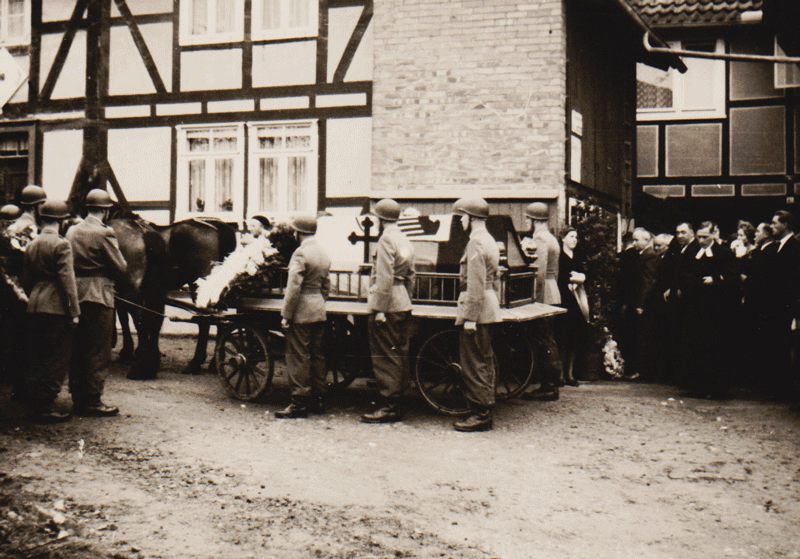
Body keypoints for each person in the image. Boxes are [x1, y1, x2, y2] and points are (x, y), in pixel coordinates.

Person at [66, 189, 128, 417]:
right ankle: (92, 400)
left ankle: (77, 396)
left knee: (77, 347)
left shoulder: (72, 230)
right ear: (105, 210)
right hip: (98, 295)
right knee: (98, 350)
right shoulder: (104, 232)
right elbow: (121, 267)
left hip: (75, 293)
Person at [21, 200, 80, 423]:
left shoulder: (32, 244)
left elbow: (26, 280)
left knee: (37, 357)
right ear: (61, 221)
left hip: (34, 305)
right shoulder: (61, 244)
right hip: (55, 308)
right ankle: (45, 406)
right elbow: (67, 282)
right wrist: (74, 312)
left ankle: (35, 405)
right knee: (55, 359)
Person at [361, 199, 415, 424]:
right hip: (402, 301)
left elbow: (383, 275)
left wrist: (380, 309)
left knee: (385, 356)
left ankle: (389, 406)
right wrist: (406, 298)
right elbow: (411, 274)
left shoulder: (386, 239)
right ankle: (398, 399)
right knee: (399, 352)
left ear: (381, 219)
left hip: (387, 303)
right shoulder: (404, 239)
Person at [451, 197, 501, 432]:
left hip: (478, 310)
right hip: (487, 306)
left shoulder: (476, 242)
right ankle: (484, 408)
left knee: (474, 363)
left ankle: (480, 414)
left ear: (471, 218)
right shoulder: (489, 240)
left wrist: (470, 317)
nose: (461, 220)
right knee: (484, 359)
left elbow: (476, 283)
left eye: (462, 216)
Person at [275, 213, 331, 419]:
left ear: (298, 233)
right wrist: (318, 302)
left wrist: (286, 315)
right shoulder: (323, 253)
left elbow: (293, 288)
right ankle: (318, 399)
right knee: (317, 355)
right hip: (318, 309)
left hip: (301, 312)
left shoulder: (300, 253)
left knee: (298, 356)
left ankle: (299, 403)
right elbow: (326, 285)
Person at [681, 221, 737, 399]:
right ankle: (699, 386)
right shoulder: (692, 252)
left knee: (716, 347)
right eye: (699, 237)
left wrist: (715, 279)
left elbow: (732, 276)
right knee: (697, 345)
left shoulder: (724, 252)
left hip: (717, 308)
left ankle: (718, 388)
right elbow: (684, 272)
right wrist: (693, 281)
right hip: (696, 306)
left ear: (713, 235)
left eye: (705, 237)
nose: (702, 240)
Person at [521, 201, 562, 401]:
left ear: (534, 220)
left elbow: (539, 272)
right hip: (551, 289)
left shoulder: (540, 238)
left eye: (527, 219)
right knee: (547, 339)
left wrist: (533, 300)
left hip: (544, 291)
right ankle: (550, 384)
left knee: (545, 339)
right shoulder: (551, 237)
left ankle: (549, 386)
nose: (526, 222)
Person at [556, 227, 589, 386]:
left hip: (577, 299)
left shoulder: (578, 255)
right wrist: (572, 279)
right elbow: (558, 276)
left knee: (574, 338)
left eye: (576, 236)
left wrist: (581, 278)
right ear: (563, 238)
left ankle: (570, 374)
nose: (574, 239)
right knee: (562, 337)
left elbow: (585, 273)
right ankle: (561, 375)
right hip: (564, 298)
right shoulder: (559, 256)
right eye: (571, 236)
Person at [627, 227, 660, 380]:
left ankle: (643, 371)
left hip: (646, 305)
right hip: (640, 303)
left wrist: (641, 304)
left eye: (636, 240)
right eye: (633, 240)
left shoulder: (650, 255)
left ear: (646, 240)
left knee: (643, 337)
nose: (633, 243)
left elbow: (648, 281)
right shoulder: (642, 255)